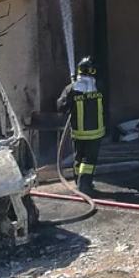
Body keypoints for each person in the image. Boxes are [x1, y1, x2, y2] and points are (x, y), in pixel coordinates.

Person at [57, 56, 106, 194]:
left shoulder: (71, 88)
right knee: (89, 160)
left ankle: (79, 182)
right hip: (96, 132)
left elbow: (60, 107)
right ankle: (85, 185)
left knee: (79, 157)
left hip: (78, 132)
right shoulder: (99, 86)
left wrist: (72, 91)